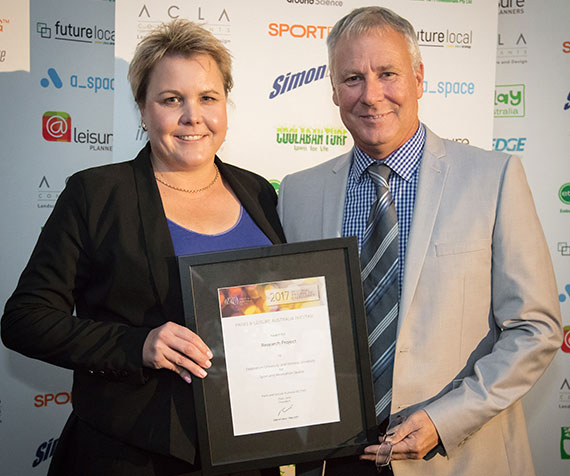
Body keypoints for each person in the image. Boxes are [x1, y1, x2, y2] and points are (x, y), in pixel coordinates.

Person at [278, 6, 561, 476]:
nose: (371, 95)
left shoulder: (493, 178)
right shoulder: (297, 192)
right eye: (352, 78)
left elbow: (536, 329)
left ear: (418, 77)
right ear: (332, 91)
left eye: (387, 73)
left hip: (458, 457)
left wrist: (442, 420)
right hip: (336, 460)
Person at [1, 20, 284, 476]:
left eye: (208, 98)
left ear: (225, 106)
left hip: (244, 451)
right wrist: (138, 346)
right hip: (129, 454)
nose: (192, 116)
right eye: (172, 99)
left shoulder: (260, 193)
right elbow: (24, 320)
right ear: (142, 108)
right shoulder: (95, 194)